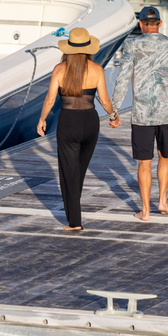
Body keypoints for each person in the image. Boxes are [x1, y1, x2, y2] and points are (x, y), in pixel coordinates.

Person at [111, 7, 168, 220]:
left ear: (140, 24)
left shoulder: (131, 45)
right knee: (164, 155)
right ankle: (163, 201)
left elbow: (122, 79)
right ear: (159, 24)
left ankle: (146, 210)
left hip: (142, 113)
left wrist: (114, 110)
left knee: (144, 162)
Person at [37, 27, 120, 231]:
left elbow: (50, 99)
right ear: (88, 47)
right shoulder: (97, 69)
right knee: (79, 171)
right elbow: (104, 99)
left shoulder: (59, 69)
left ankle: (75, 222)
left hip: (68, 122)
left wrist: (42, 119)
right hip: (91, 122)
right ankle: (74, 210)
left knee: (68, 171)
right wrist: (113, 116)